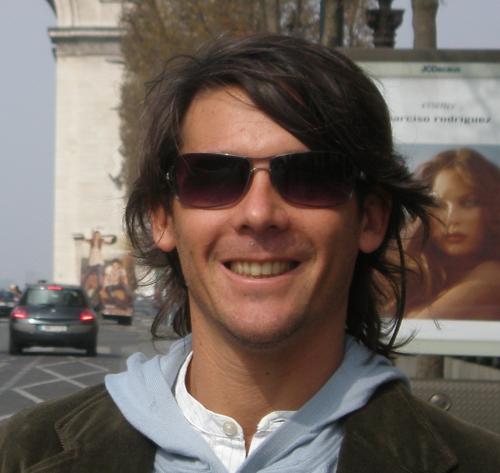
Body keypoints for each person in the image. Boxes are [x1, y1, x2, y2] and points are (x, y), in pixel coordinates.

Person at [1, 34, 500, 473]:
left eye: (310, 176)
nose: (259, 213)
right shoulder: (18, 454)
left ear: (370, 218)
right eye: (213, 177)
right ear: (162, 219)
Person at [405, 148, 500, 319]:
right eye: (438, 205)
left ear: (493, 210)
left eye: (468, 203)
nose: (451, 219)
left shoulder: (493, 274)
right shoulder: (427, 276)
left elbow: (418, 326)